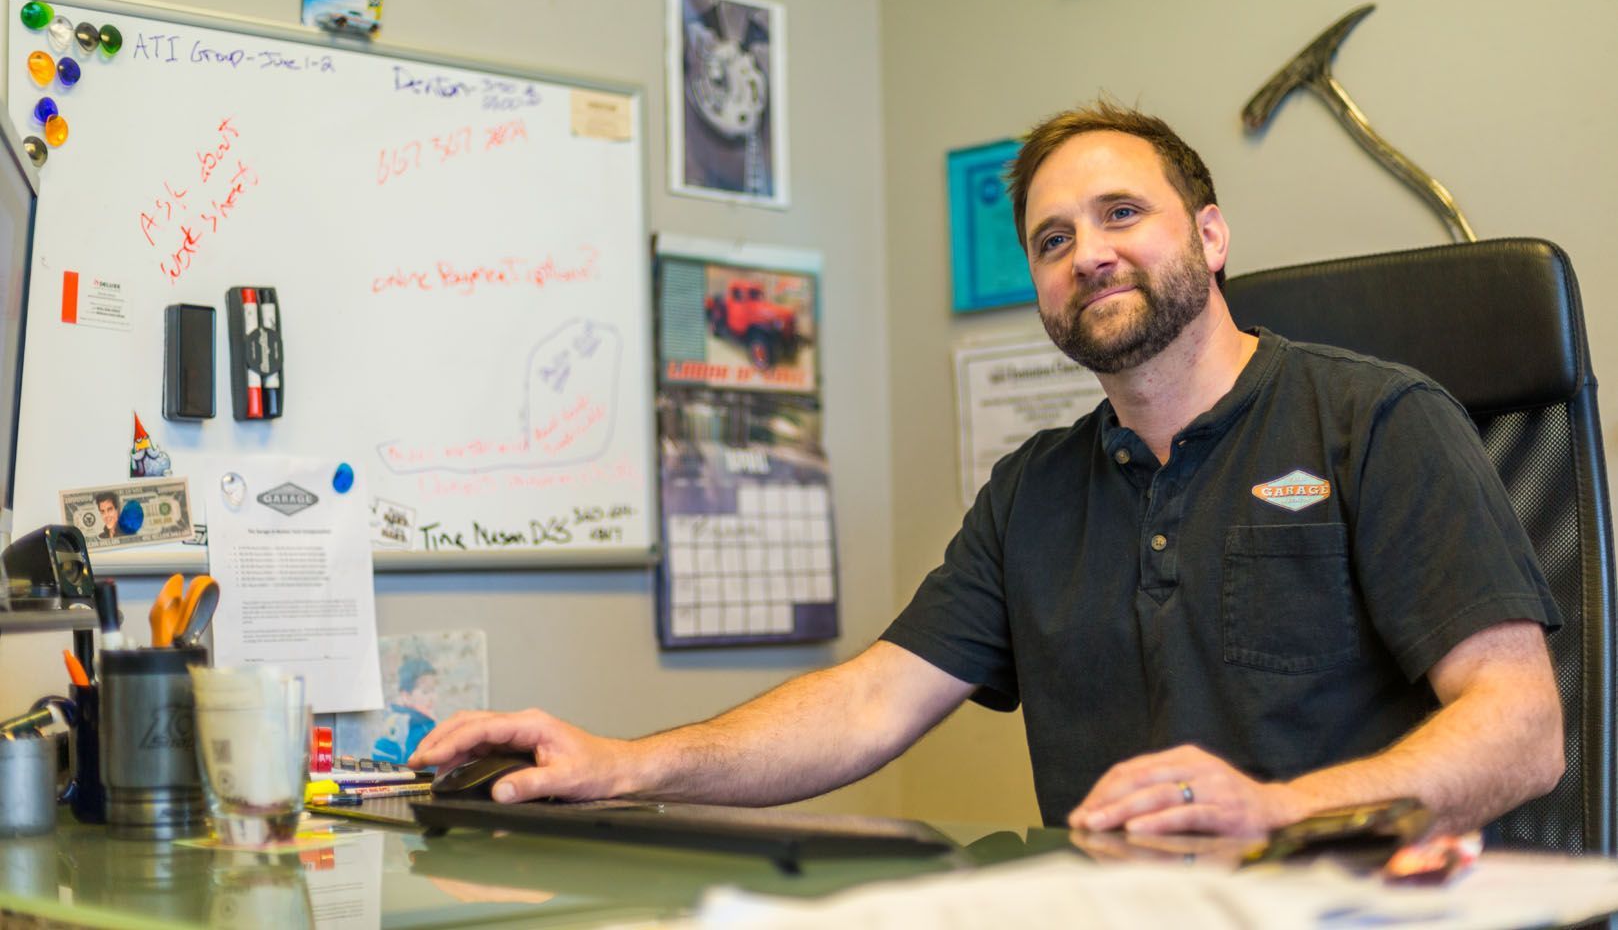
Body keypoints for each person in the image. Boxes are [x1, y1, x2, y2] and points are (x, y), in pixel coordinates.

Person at [412, 101, 1563, 838]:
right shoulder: (1034, 491)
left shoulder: (1378, 421)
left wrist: (1275, 813)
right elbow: (869, 702)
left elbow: (1521, 728)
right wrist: (619, 764)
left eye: (1123, 213)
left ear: (1209, 236)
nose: (1087, 253)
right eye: (1052, 239)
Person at [374, 657, 439, 764]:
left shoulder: (423, 722)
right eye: (425, 692)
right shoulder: (411, 725)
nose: (432, 697)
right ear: (406, 696)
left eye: (433, 690)